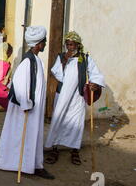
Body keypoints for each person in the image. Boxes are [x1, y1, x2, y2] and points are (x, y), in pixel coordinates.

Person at [0, 26, 55, 180]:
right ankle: (16, 164)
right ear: (37, 44)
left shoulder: (35, 60)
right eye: (44, 42)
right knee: (21, 136)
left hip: (34, 108)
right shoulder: (27, 62)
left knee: (33, 135)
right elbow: (20, 85)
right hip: (27, 108)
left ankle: (34, 164)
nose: (46, 44)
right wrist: (26, 103)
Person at [44, 31, 105, 165]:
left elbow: (95, 73)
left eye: (72, 44)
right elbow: (56, 73)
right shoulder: (61, 57)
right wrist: (65, 61)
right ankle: (55, 148)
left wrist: (94, 83)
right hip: (62, 96)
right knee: (59, 120)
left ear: (77, 45)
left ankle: (74, 150)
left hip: (77, 97)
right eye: (67, 44)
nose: (69, 47)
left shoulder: (85, 58)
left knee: (76, 124)